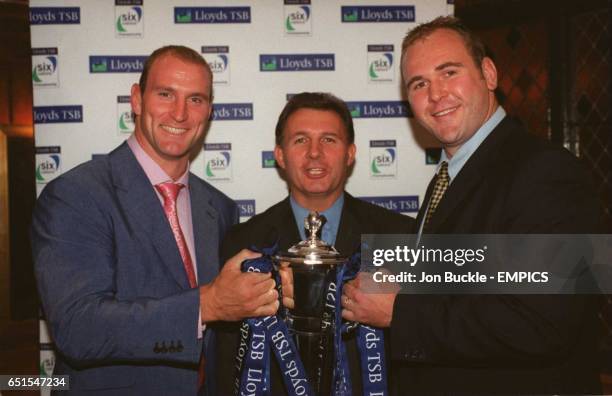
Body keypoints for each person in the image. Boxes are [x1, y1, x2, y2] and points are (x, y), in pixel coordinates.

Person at [341, 16, 602, 394]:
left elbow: (543, 322)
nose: (436, 94)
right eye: (419, 83)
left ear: (489, 74)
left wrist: (399, 311)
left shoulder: (545, 171)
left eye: (449, 72)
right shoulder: (450, 175)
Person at [31, 45, 278, 395]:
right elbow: (78, 328)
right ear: (136, 99)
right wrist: (205, 305)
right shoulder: (76, 195)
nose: (180, 113)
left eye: (195, 100)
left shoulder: (219, 207)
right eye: (165, 94)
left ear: (209, 111)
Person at [215, 92, 414, 395]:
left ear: (350, 153)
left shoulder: (400, 235)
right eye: (300, 141)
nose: (314, 154)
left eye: (329, 140)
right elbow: (229, 360)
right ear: (280, 155)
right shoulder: (243, 242)